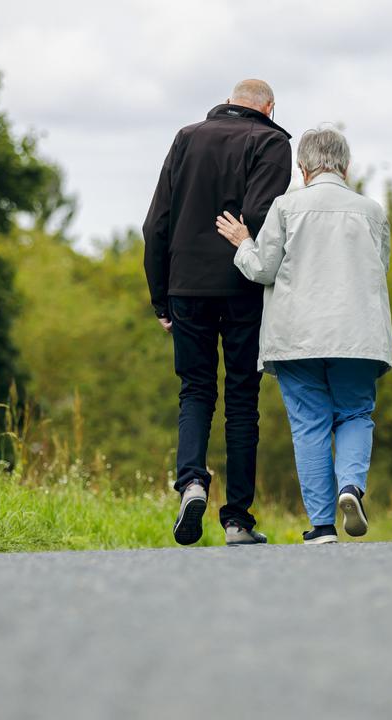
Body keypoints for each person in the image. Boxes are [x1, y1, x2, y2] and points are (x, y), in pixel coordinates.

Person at [215, 126, 392, 545]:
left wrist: (243, 241)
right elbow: (378, 269)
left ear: (303, 167)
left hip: (298, 336)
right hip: (358, 333)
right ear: (345, 166)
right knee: (354, 413)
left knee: (309, 425)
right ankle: (350, 486)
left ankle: (323, 527)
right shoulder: (372, 211)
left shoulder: (286, 207)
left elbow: (262, 269)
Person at [143, 79, 293, 546]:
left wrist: (160, 296)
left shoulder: (186, 137)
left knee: (195, 390)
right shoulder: (272, 141)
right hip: (242, 285)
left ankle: (191, 482)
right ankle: (237, 521)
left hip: (186, 285)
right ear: (268, 108)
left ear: (230, 102)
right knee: (243, 399)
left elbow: (156, 224)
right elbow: (259, 214)